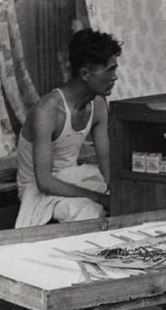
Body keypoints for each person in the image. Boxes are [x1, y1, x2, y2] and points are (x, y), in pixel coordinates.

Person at [15, 28, 120, 228]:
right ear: (85, 73)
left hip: (74, 178)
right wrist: (100, 198)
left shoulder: (98, 104)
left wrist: (117, 196)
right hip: (37, 190)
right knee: (90, 211)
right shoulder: (47, 111)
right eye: (110, 70)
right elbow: (44, 181)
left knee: (129, 196)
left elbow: (106, 163)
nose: (115, 77)